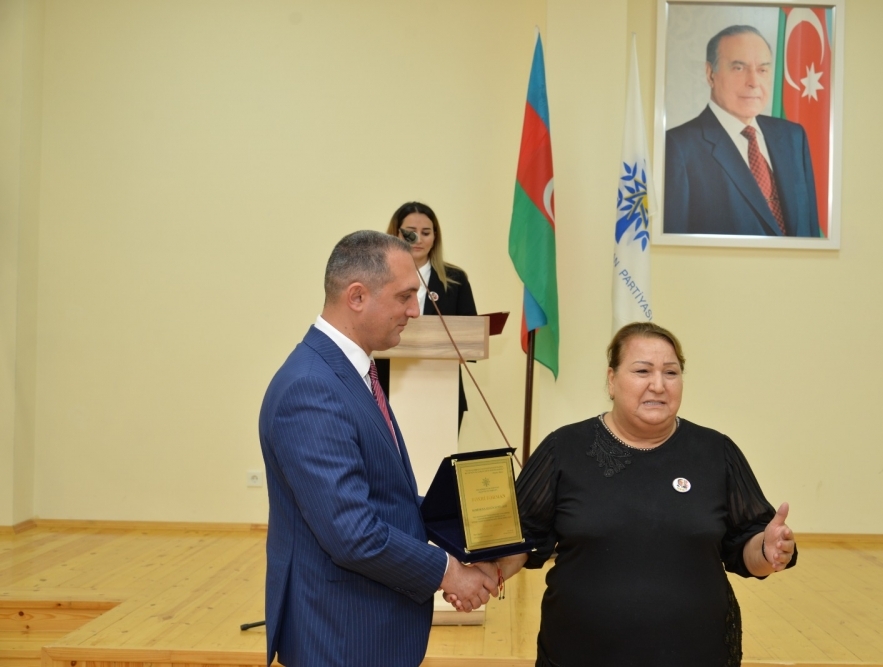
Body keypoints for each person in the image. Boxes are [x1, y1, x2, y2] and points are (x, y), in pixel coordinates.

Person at [486, 322, 797, 666]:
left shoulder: (716, 452)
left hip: (697, 654)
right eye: (642, 371)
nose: (658, 385)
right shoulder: (564, 448)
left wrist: (767, 549)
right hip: (579, 654)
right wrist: (481, 575)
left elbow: (748, 548)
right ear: (611, 380)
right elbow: (520, 537)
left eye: (671, 372)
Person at [258, 230, 497, 667]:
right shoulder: (311, 388)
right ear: (356, 296)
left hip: (362, 625)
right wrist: (449, 572)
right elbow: (353, 534)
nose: (415, 310)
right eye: (404, 296)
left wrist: (479, 528)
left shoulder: (350, 370)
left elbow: (386, 496)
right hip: (340, 632)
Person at [663, 25, 821, 237]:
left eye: (762, 70)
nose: (754, 82)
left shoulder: (793, 137)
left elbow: (810, 232)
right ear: (710, 74)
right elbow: (675, 246)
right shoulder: (678, 147)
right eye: (738, 68)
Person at [376, 202, 478, 429]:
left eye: (426, 232)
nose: (418, 239)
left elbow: (469, 337)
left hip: (443, 390)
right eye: (410, 232)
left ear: (435, 237)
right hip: (388, 387)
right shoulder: (378, 277)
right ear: (396, 234)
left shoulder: (455, 279)